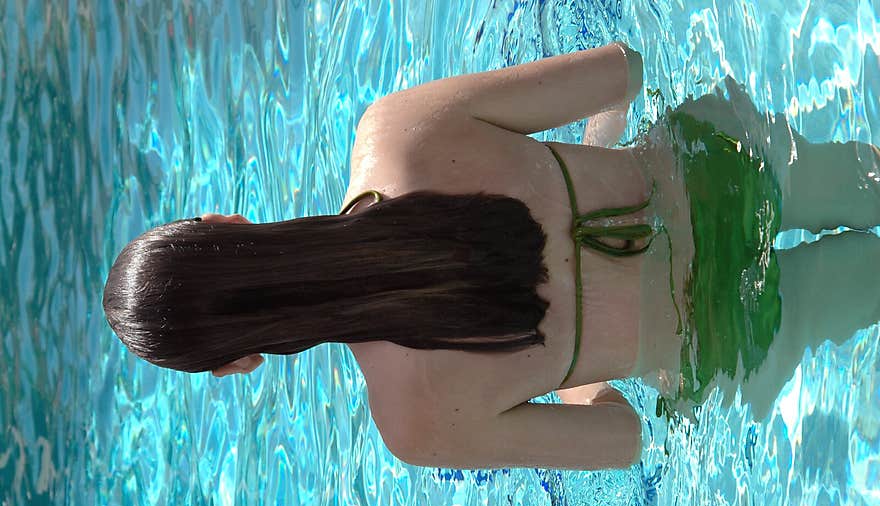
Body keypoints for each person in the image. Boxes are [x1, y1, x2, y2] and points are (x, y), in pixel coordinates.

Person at [103, 43, 880, 471]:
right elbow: (622, 71)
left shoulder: (410, 423)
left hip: (722, 334)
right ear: (225, 218)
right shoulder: (395, 132)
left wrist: (579, 365)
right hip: (717, 174)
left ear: (235, 365)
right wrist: (592, 158)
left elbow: (623, 442)